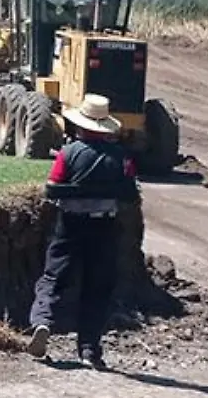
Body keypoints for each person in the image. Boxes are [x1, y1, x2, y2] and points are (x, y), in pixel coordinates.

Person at [27, 93, 140, 370]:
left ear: (81, 125)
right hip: (104, 226)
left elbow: (52, 187)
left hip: (70, 224)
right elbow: (130, 194)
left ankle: (43, 322)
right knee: (97, 287)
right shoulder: (122, 158)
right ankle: (89, 350)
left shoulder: (68, 153)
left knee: (54, 277)